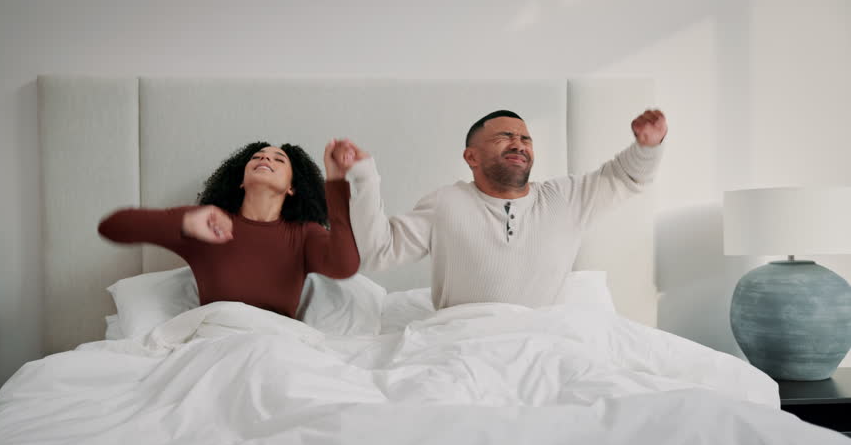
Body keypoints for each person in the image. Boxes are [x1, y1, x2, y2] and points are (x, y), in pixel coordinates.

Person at [330, 109, 667, 309]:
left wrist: (648, 145)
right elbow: (377, 253)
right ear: (471, 157)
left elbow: (626, 177)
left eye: (526, 138)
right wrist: (365, 178)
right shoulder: (446, 203)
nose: (519, 143)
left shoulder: (565, 198)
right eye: (505, 137)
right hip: (458, 342)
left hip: (540, 345)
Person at [98, 141, 359, 320]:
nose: (265, 157)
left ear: (292, 187)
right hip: (215, 351)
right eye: (256, 157)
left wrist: (336, 182)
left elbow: (345, 264)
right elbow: (112, 227)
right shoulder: (206, 224)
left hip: (277, 351)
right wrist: (186, 224)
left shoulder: (304, 235)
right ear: (241, 181)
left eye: (278, 159)